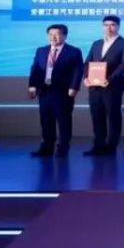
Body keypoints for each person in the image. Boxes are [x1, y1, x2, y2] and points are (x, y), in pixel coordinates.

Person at [28, 24, 83, 158]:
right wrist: (32, 85)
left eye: (56, 34)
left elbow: (78, 70)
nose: (53, 37)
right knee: (46, 120)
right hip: (44, 91)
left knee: (64, 121)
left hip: (63, 92)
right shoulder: (41, 50)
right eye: (50, 34)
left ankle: (63, 147)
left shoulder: (74, 51)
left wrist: (74, 87)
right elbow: (35, 69)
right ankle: (47, 147)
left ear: (64, 36)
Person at [83, 14, 124, 156]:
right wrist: (86, 77)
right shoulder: (96, 43)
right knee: (96, 115)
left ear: (118, 26)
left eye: (112, 25)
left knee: (113, 116)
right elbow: (87, 62)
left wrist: (109, 79)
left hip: (112, 86)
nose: (109, 28)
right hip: (94, 86)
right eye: (106, 25)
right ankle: (98, 145)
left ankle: (111, 146)